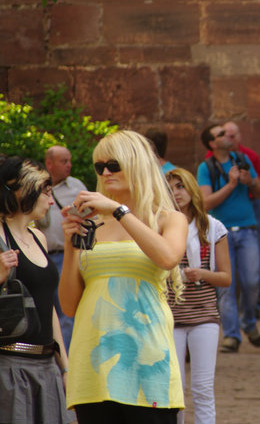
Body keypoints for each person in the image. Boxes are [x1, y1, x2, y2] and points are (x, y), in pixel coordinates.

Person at [58, 130, 187, 423]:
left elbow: (168, 257)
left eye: (113, 165)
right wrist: (69, 247)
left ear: (137, 163)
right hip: (94, 357)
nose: (105, 172)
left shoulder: (168, 217)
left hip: (147, 357)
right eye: (99, 167)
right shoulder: (90, 224)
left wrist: (119, 211)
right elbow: (68, 306)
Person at [0, 156, 73, 424]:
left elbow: (48, 305)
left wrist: (64, 366)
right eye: (46, 191)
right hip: (9, 366)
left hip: (46, 367)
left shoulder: (38, 237)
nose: (51, 201)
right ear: (23, 191)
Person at [166, 168, 232, 424]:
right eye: (171, 188)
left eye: (180, 186)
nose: (176, 193)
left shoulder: (212, 226)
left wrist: (202, 274)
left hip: (204, 314)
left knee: (203, 388)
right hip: (170, 316)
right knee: (175, 390)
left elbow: (225, 277)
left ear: (191, 190)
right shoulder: (161, 227)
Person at [198, 123, 260, 353]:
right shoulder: (205, 168)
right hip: (220, 234)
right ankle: (232, 335)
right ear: (212, 144)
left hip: (247, 228)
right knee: (226, 286)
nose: (227, 136)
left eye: (227, 133)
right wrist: (231, 184)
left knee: (253, 281)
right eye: (221, 134)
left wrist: (250, 181)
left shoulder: (241, 159)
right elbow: (206, 202)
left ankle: (248, 322)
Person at [35, 145, 88, 351]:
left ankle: (66, 361)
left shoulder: (77, 186)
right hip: (41, 257)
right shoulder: (36, 185)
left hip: (67, 255)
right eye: (64, 161)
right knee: (47, 311)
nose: (69, 165)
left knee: (68, 314)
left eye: (70, 161)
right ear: (49, 164)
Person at [222, 121, 260, 319]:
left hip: (249, 212)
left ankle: (250, 316)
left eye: (233, 136)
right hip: (224, 220)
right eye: (226, 136)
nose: (230, 139)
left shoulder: (249, 157)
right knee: (226, 282)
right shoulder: (209, 162)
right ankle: (232, 333)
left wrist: (250, 182)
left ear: (239, 136)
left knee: (252, 277)